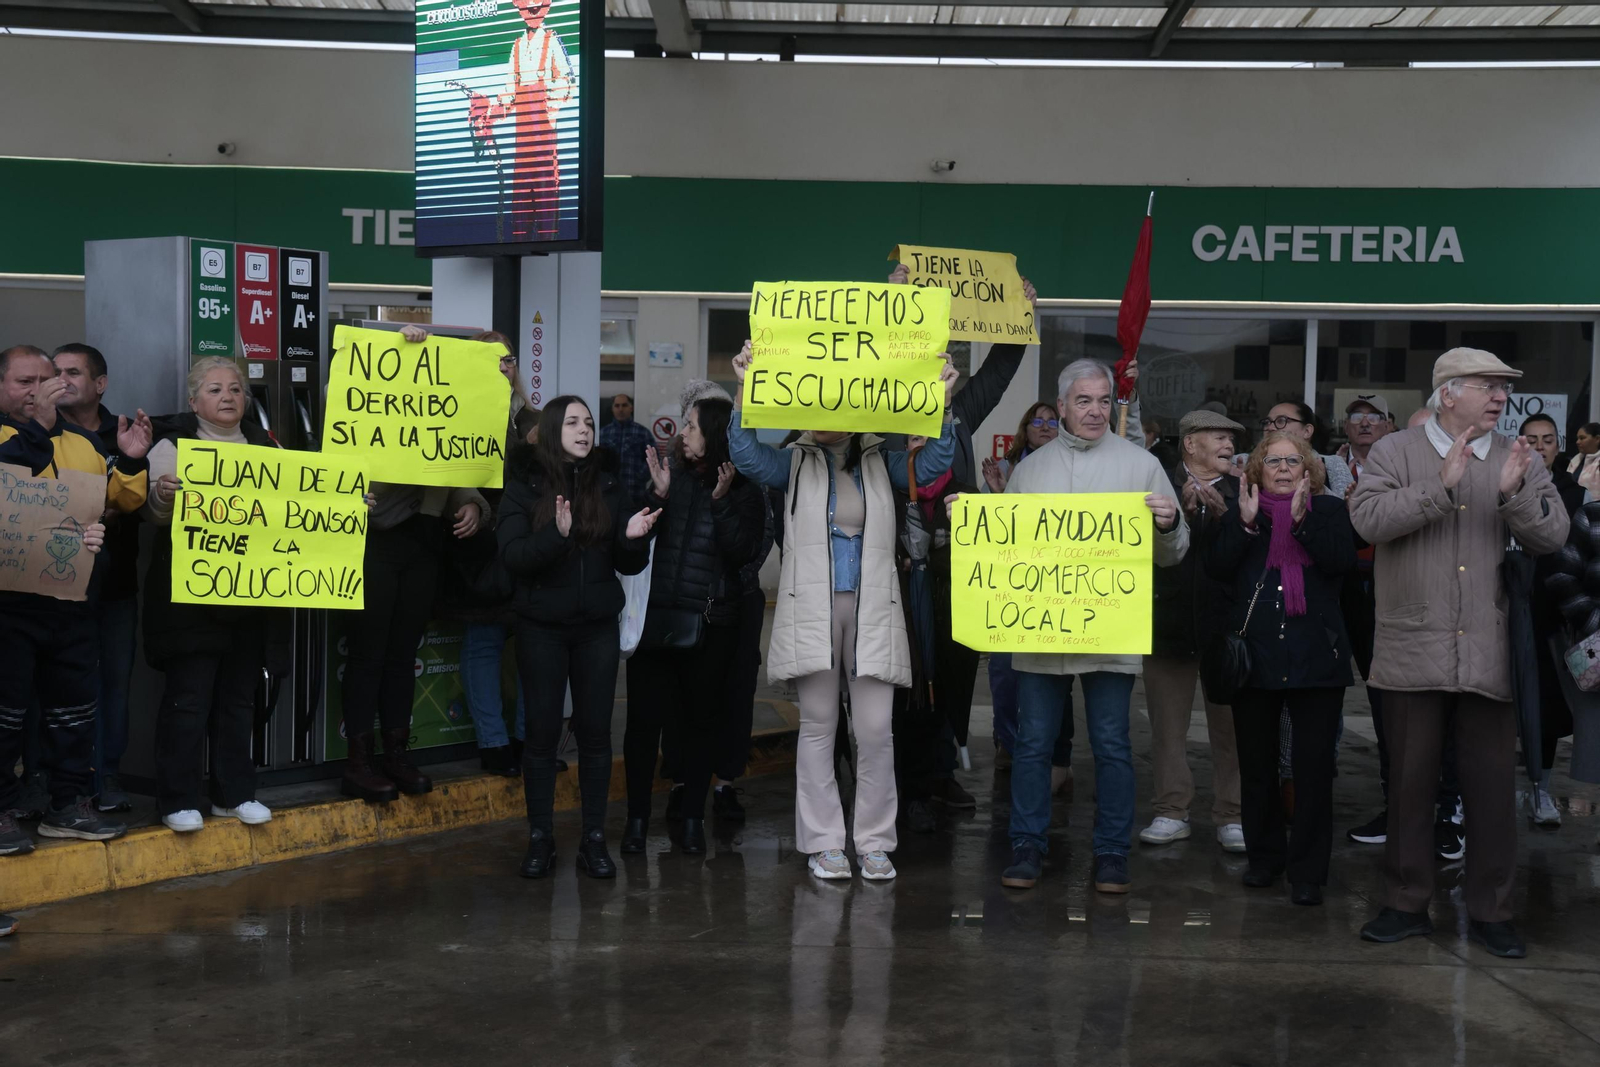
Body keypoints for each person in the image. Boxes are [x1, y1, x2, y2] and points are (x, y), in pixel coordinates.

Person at [1350, 347, 1568, 959]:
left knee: (1492, 790)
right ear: (1448, 393)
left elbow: (1553, 535)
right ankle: (1404, 904)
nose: (1501, 398)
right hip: (1411, 642)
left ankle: (1493, 911)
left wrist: (1515, 491)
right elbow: (1366, 522)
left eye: (1503, 388)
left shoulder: (1514, 455)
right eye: (1488, 387)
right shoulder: (1396, 452)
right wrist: (1438, 489)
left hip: (1489, 648)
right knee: (1411, 785)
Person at [729, 341, 959, 882]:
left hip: (874, 608)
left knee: (877, 731)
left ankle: (875, 840)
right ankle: (825, 841)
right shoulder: (793, 461)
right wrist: (743, 389)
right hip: (813, 609)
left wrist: (944, 405)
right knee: (819, 726)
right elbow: (744, 454)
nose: (821, 415)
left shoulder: (883, 459)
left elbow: (935, 465)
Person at [995, 359, 1187, 894]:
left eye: (1104, 400)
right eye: (1084, 401)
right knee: (1032, 744)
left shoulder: (1141, 464)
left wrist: (1169, 526)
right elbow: (1005, 551)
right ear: (1061, 408)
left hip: (1109, 633)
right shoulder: (1028, 471)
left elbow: (1173, 553)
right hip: (1040, 632)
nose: (1096, 410)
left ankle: (1111, 854)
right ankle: (1027, 846)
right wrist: (975, 525)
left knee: (1112, 744)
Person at [500, 396, 659, 879]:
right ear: (552, 429)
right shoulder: (523, 485)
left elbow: (626, 563)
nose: (585, 430)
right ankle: (541, 837)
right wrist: (558, 534)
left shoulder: (609, 482)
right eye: (573, 422)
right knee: (543, 736)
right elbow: (513, 556)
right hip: (541, 628)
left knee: (594, 735)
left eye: (589, 422)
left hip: (596, 630)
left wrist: (635, 537)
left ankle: (593, 839)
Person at [339, 325, 491, 804]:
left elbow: (449, 461)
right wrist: (393, 347)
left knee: (404, 652)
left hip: (424, 540)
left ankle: (396, 754)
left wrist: (471, 505)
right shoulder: (367, 396)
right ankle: (359, 760)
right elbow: (344, 405)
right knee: (369, 652)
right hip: (375, 537)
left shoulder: (443, 404)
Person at [1208, 432, 1357, 905]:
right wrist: (1247, 526)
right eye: (1274, 461)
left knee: (1313, 771)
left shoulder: (1330, 512)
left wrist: (1301, 525)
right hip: (1257, 658)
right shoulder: (1241, 513)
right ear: (1257, 469)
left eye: (1295, 460)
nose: (1285, 468)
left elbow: (1342, 563)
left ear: (1309, 469)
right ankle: (1264, 858)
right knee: (1257, 766)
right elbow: (1215, 569)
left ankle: (1308, 871)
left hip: (1318, 658)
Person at [0, 345, 132, 855]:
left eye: (45, 380)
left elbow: (113, 501)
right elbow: (14, 473)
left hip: (72, 602)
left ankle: (68, 805)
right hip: (9, 605)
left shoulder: (82, 441)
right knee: (6, 717)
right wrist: (39, 426)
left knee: (73, 712)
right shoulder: (13, 437)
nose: (36, 391)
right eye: (24, 382)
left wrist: (99, 528)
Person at [141, 357, 282, 832]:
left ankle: (234, 794)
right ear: (193, 400)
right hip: (190, 600)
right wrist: (163, 493)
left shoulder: (267, 446)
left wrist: (347, 502)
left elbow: (294, 509)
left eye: (237, 389)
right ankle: (177, 799)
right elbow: (157, 515)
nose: (228, 397)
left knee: (239, 699)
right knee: (189, 700)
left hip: (247, 598)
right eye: (216, 389)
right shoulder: (174, 445)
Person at [622, 397, 765, 855]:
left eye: (691, 426)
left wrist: (721, 504)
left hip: (710, 625)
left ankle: (690, 823)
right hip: (659, 620)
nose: (683, 432)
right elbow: (639, 535)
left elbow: (743, 553)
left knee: (702, 725)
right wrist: (656, 494)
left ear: (715, 434)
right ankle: (637, 822)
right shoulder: (673, 478)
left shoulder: (743, 489)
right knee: (643, 726)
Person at [51, 343, 151, 814]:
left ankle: (107, 776)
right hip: (50, 588)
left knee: (114, 685)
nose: (63, 379)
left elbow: (140, 503)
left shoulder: (126, 434)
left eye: (74, 371)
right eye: (56, 372)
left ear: (100, 384)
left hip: (114, 588)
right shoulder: (37, 434)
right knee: (50, 689)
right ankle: (50, 783)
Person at [1141, 408, 1245, 853]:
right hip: (1167, 622)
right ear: (1189, 443)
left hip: (1227, 628)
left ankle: (1233, 814)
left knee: (1233, 729)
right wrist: (1170, 521)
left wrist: (1228, 520)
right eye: (1218, 437)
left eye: (1231, 439)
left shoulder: (1245, 490)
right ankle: (1171, 810)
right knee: (1167, 726)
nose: (1228, 445)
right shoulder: (1155, 483)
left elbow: (1250, 557)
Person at [442, 330, 534, 776]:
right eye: (489, 358)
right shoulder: (450, 413)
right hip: (479, 547)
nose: (502, 366)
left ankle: (525, 740)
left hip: (528, 545)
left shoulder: (534, 417)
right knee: (484, 642)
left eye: (508, 358)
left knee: (533, 649)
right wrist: (472, 505)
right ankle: (494, 744)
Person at [464, 0, 575, 241]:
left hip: (545, 143)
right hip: (521, 147)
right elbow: (508, 96)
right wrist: (488, 116)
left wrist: (544, 92)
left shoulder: (552, 41)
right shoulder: (517, 46)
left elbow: (568, 85)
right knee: (520, 207)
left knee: (546, 203)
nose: (533, 9)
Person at [1521, 412, 1584, 826]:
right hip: (1505, 607)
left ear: (1558, 447)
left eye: (1548, 440)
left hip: (1553, 617)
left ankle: (1540, 792)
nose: (1540, 446)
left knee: (1545, 707)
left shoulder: (1575, 493)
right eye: (1532, 439)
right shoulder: (1503, 484)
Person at [1261, 401, 1352, 497]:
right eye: (1267, 422)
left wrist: (1319, 489)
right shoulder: (1247, 461)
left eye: (1281, 420)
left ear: (1307, 431)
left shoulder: (1332, 463)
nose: (1270, 427)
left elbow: (1346, 508)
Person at [597, 392, 655, 508]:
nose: (620, 409)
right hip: (608, 494)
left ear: (631, 408)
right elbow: (597, 461)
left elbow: (653, 458)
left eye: (624, 405)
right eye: (617, 406)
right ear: (612, 409)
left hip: (635, 493)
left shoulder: (642, 432)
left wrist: (640, 477)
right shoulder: (603, 433)